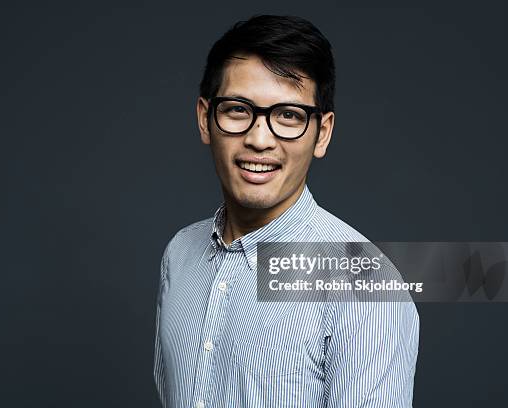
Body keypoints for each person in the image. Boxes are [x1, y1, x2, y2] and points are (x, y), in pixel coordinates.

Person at [153, 14, 419, 408]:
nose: (260, 139)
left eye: (288, 116)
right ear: (205, 119)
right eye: (238, 109)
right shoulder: (180, 253)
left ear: (322, 133)